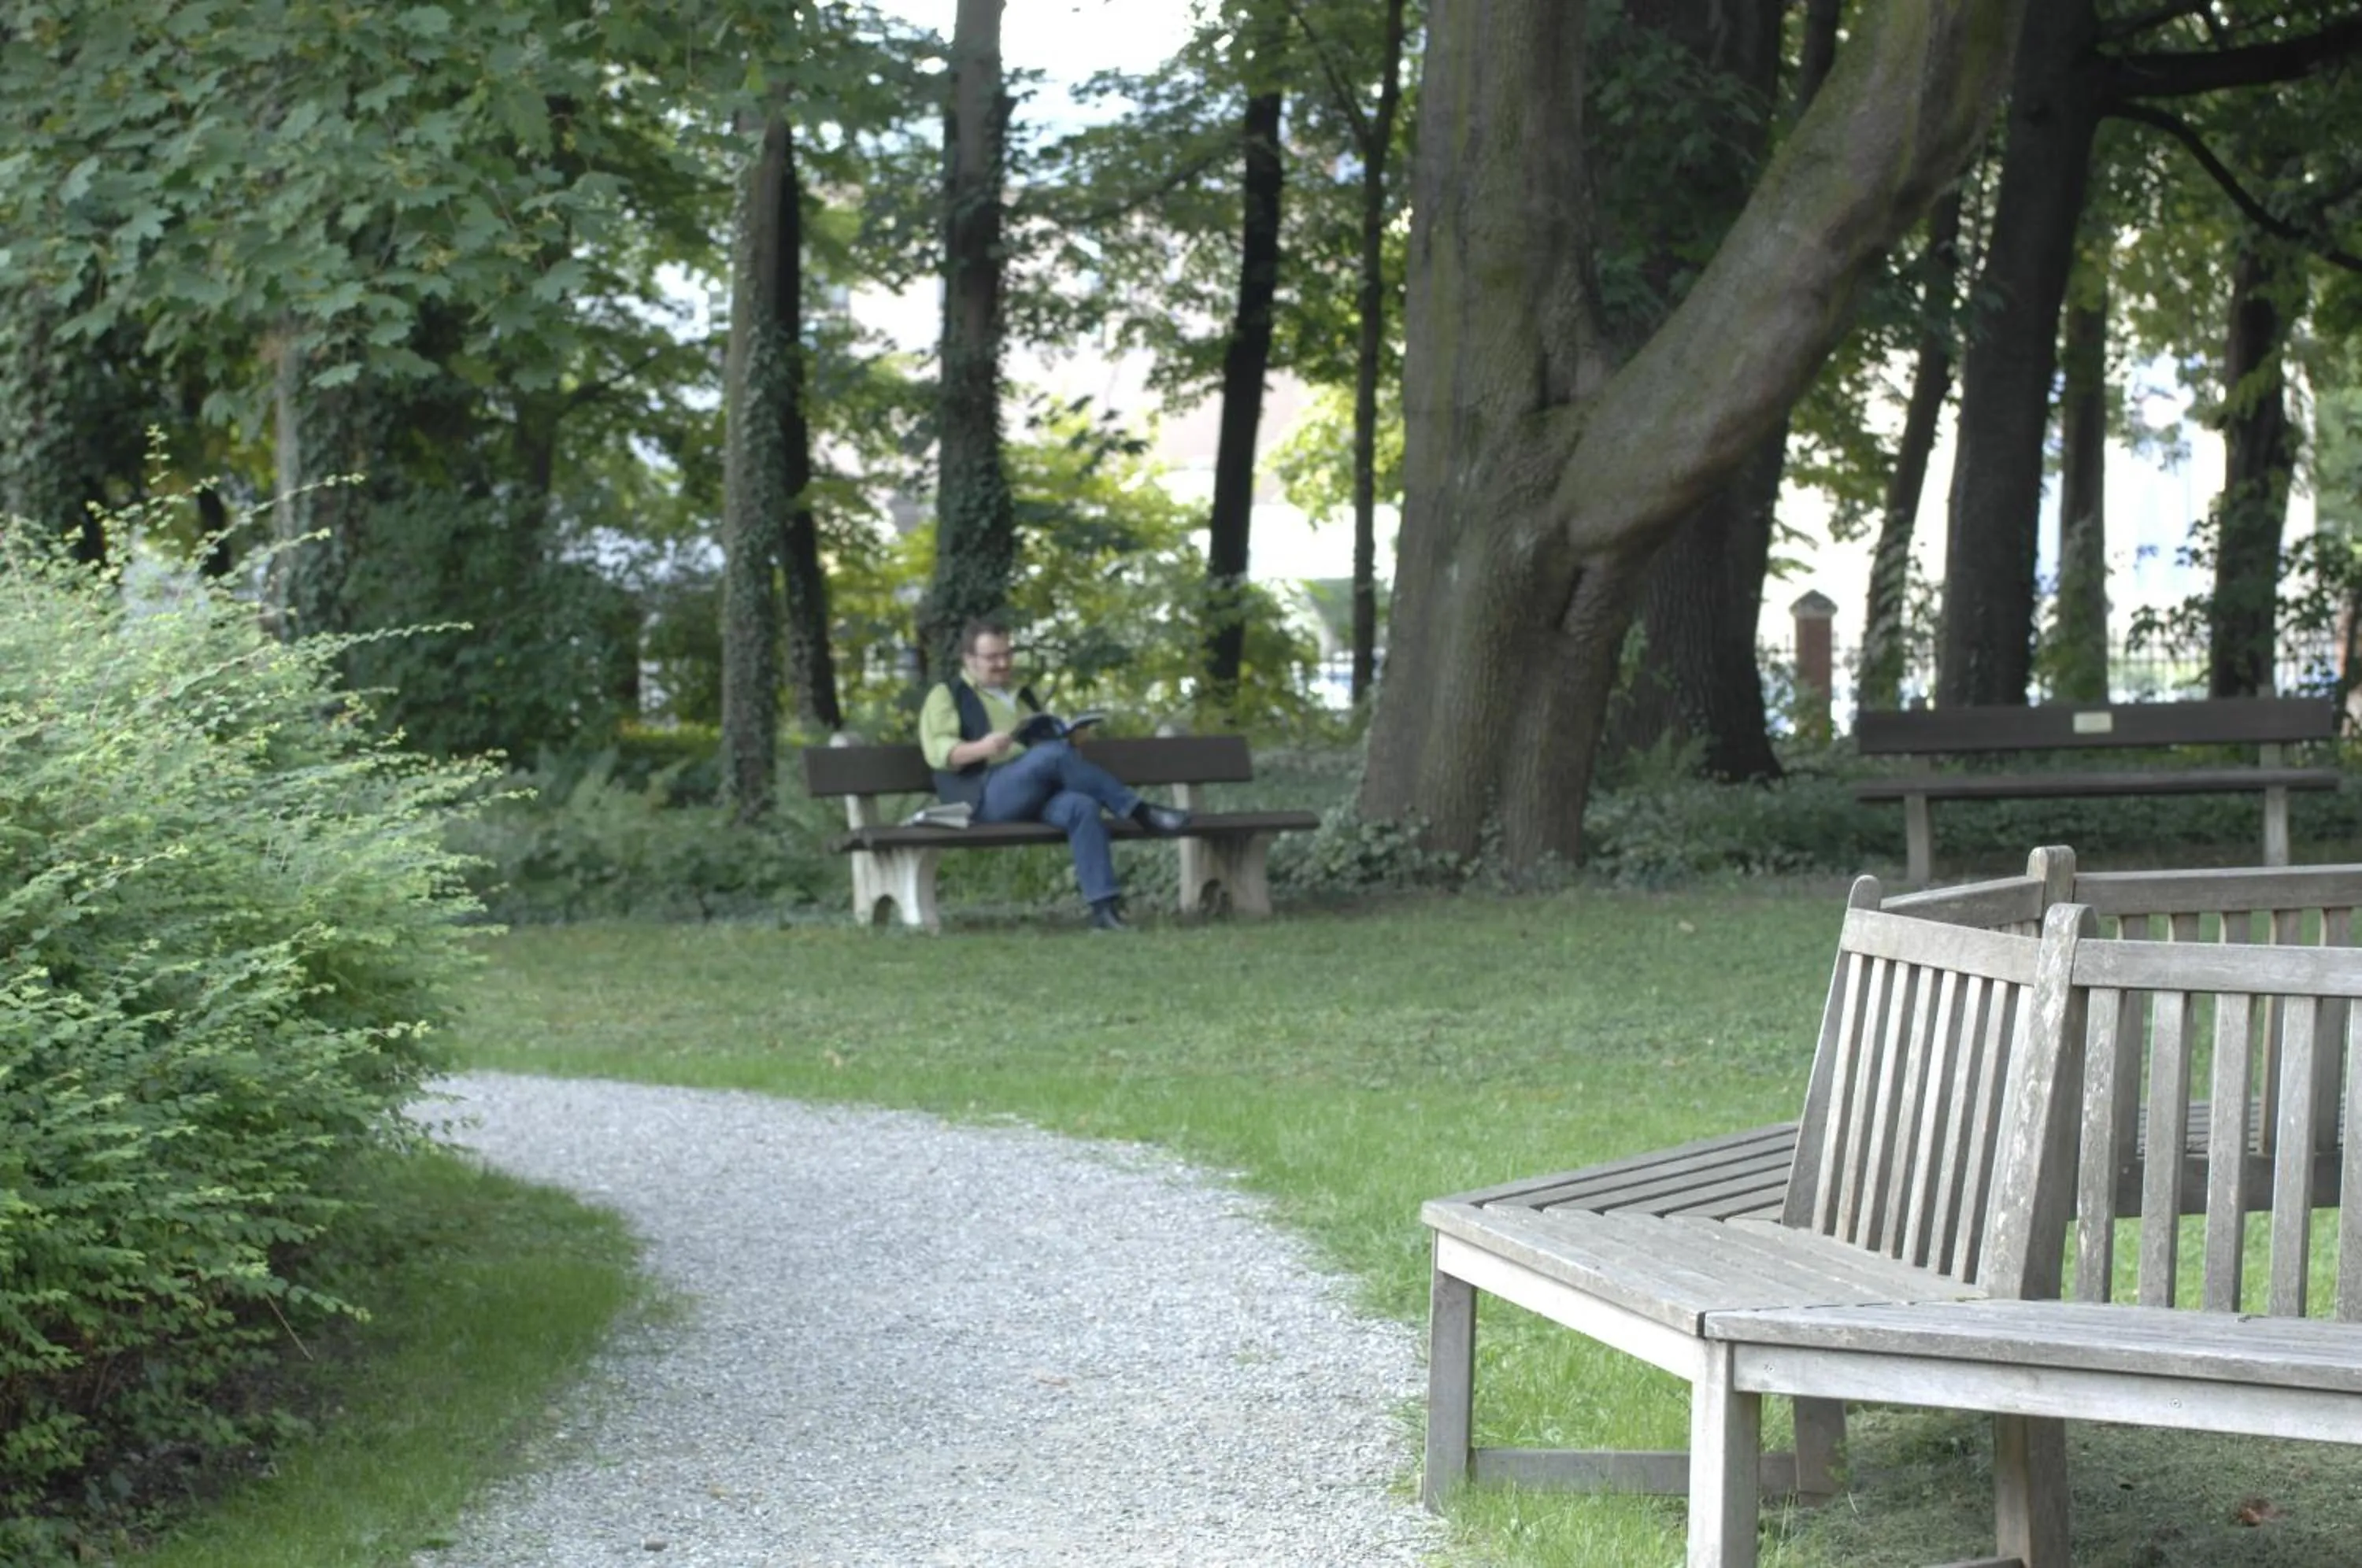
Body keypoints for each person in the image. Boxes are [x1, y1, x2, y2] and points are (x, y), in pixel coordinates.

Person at [918, 618, 1190, 930]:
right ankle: (1140, 811)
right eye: (993, 657)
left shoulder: (1023, 696)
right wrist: (981, 748)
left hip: (1034, 793)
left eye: (1007, 654)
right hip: (983, 796)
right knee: (1053, 756)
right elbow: (938, 752)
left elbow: (1045, 746)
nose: (1003, 663)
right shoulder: (947, 694)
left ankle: (1104, 911)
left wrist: (1070, 739)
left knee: (1081, 806)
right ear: (969, 659)